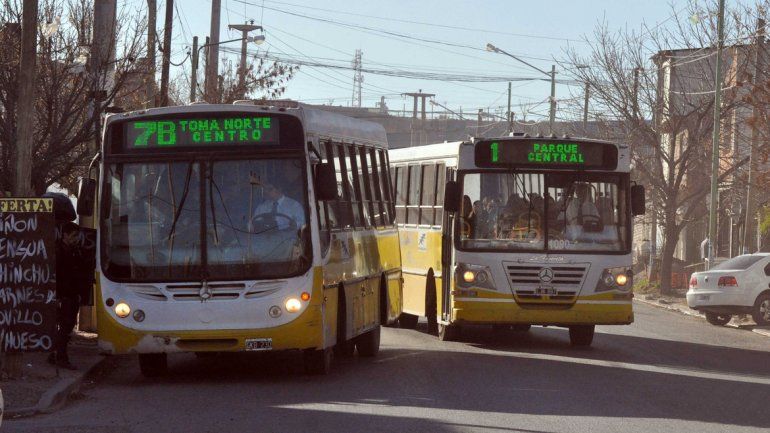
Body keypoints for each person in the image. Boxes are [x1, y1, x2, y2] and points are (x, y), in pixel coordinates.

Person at [49, 222, 88, 370]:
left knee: (66, 327)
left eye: (77, 236)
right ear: (65, 235)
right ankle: (61, 357)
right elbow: (58, 275)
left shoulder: (73, 250)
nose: (76, 239)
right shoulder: (59, 251)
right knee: (65, 327)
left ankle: (55, 354)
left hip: (71, 294)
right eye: (73, 236)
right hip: (64, 295)